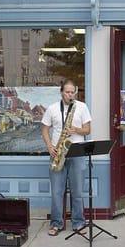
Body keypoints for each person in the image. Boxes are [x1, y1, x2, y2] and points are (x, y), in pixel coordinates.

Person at [41, 80, 92, 236]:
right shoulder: (52, 108)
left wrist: (75, 129)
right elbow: (44, 130)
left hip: (77, 153)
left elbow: (88, 130)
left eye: (72, 92)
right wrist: (50, 147)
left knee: (77, 192)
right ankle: (56, 223)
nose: (70, 95)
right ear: (61, 91)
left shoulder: (81, 107)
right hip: (57, 152)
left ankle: (78, 223)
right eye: (67, 92)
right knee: (56, 192)